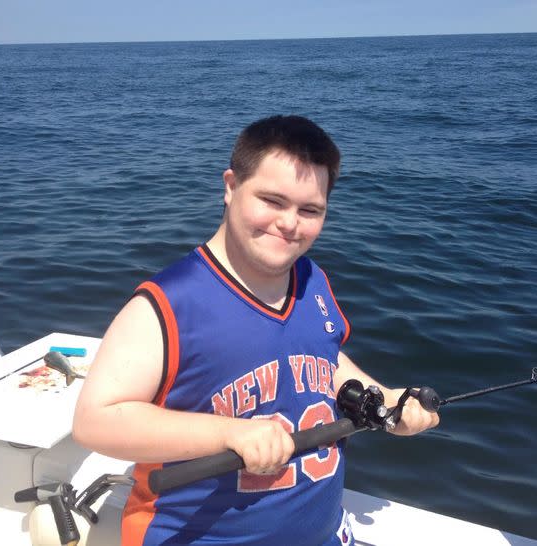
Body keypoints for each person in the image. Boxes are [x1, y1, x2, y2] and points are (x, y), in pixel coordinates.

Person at [73, 115, 439, 546]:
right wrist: (231, 434)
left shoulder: (311, 280)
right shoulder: (167, 305)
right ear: (230, 187)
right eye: (271, 200)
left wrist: (384, 400)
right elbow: (94, 421)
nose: (289, 223)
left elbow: (322, 357)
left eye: (310, 210)